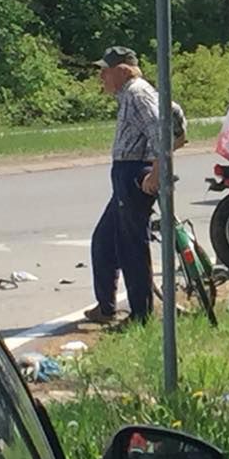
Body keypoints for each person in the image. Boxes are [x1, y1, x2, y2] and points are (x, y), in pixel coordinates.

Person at [85, 45, 165, 324]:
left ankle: (141, 315)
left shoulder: (137, 92)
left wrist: (156, 172)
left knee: (132, 246)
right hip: (124, 172)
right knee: (104, 241)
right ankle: (105, 307)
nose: (101, 78)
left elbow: (160, 129)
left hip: (135, 174)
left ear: (122, 71)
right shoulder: (128, 95)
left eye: (105, 72)